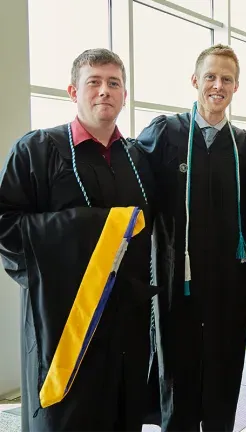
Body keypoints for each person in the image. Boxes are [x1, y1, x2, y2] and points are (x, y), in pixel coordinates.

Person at [0, 48, 155, 432]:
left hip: (126, 323)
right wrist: (90, 227)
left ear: (124, 94)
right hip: (64, 324)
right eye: (94, 82)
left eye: (114, 83)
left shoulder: (136, 158)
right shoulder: (36, 151)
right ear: (73, 91)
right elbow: (6, 226)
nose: (105, 91)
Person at [136, 44, 246, 431]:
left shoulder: (242, 145)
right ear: (194, 81)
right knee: (177, 365)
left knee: (224, 363)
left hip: (229, 280)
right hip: (176, 276)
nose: (217, 85)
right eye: (210, 76)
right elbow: (137, 199)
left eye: (226, 79)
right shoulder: (164, 133)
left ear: (236, 87)